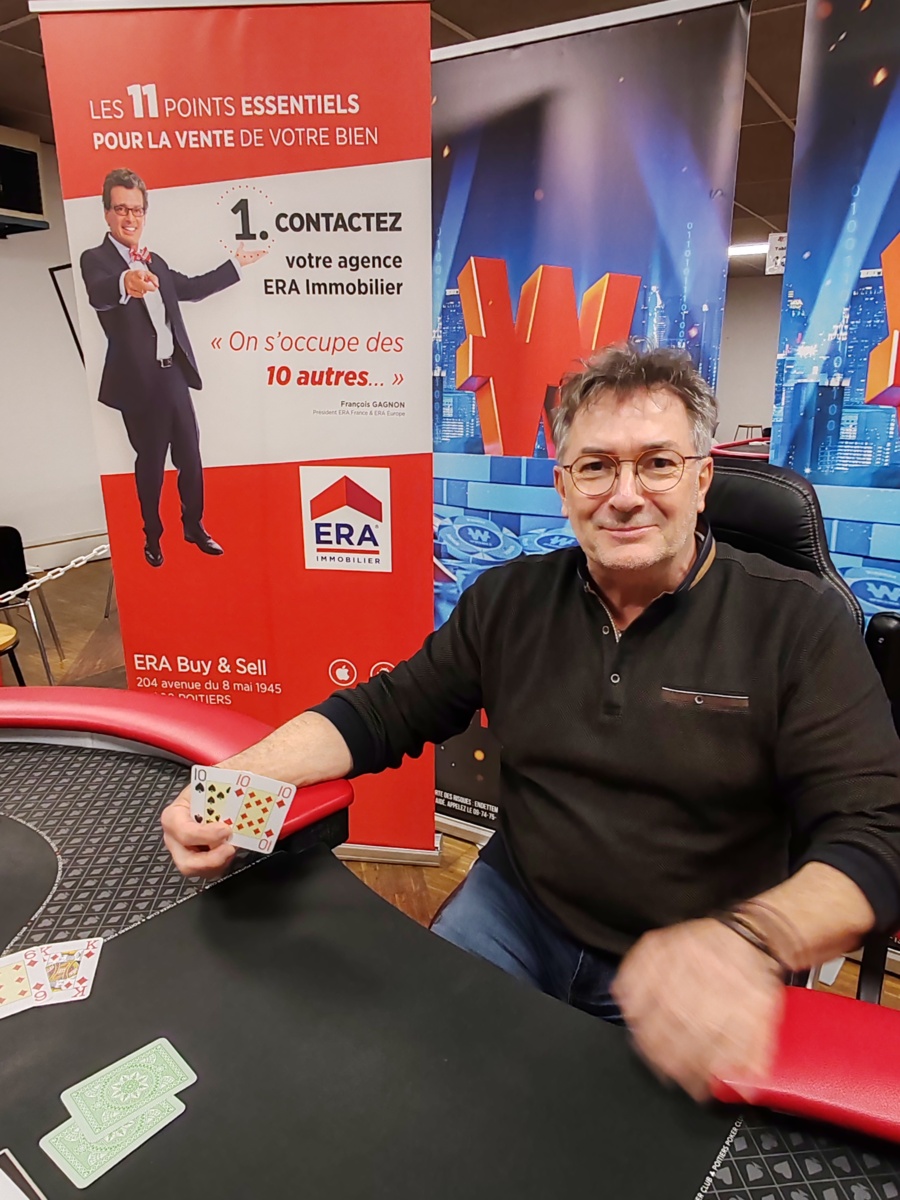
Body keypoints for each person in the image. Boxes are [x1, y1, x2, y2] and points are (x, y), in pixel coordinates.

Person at [161, 342, 900, 1101]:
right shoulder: (507, 600)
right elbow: (382, 712)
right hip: (517, 910)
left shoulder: (799, 622)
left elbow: (878, 837)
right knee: (422, 1095)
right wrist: (231, 783)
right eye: (596, 466)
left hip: (698, 951)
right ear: (563, 485)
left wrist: (748, 940)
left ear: (702, 479)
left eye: (657, 463)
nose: (625, 495)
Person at [81, 168, 264, 567]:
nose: (130, 218)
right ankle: (152, 535)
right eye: (121, 209)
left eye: (137, 210)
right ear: (107, 213)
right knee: (150, 463)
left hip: (173, 375)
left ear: (145, 214)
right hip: (137, 383)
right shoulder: (96, 260)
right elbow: (100, 294)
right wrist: (127, 281)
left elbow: (192, 289)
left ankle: (193, 526)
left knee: (191, 456)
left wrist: (235, 265)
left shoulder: (156, 261)